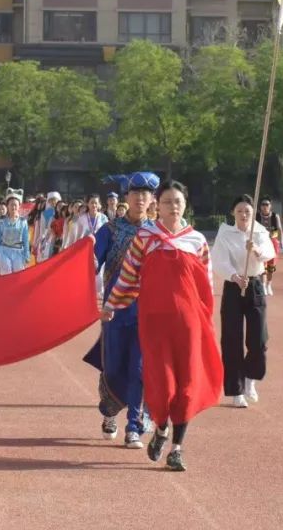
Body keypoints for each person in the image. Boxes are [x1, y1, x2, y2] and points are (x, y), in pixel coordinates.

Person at [102, 180, 220, 472]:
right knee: (161, 382)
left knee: (187, 382)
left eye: (178, 201)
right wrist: (112, 304)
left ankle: (177, 449)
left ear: (185, 204)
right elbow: (129, 276)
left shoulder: (197, 241)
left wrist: (206, 320)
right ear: (158, 205)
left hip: (189, 324)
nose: (173, 207)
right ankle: (161, 427)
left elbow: (206, 286)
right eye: (167, 202)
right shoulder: (145, 237)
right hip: (154, 322)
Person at [83, 171, 159, 450]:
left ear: (152, 199)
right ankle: (110, 411)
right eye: (135, 193)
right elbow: (92, 263)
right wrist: (88, 258)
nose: (140, 198)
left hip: (146, 312)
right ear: (127, 197)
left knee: (139, 368)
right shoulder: (111, 230)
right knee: (113, 367)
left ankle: (134, 426)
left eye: (145, 194)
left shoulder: (156, 233)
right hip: (114, 312)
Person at [211, 194, 275, 409]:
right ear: (233, 213)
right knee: (231, 339)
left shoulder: (260, 232)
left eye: (247, 211)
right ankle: (236, 390)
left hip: (255, 285)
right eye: (239, 211)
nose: (244, 215)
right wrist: (235, 277)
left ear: (253, 212)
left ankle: (250, 378)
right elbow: (219, 261)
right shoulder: (225, 233)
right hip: (234, 287)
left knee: (259, 339)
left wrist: (256, 250)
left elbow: (269, 253)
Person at [0, 191, 30, 275]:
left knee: (18, 276)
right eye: (11, 205)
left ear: (19, 206)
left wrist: (27, 255)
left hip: (18, 252)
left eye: (15, 205)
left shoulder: (23, 221)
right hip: (4, 251)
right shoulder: (1, 221)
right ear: (7, 206)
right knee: (6, 275)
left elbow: (26, 240)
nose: (13, 207)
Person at [256, 198, 282, 295]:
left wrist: (281, 241)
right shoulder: (257, 216)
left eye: (267, 204)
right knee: (263, 265)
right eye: (263, 204)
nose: (265, 206)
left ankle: (268, 284)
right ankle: (262, 285)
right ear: (260, 206)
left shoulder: (275, 216)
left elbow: (279, 229)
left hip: (272, 242)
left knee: (271, 265)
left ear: (270, 206)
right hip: (261, 242)